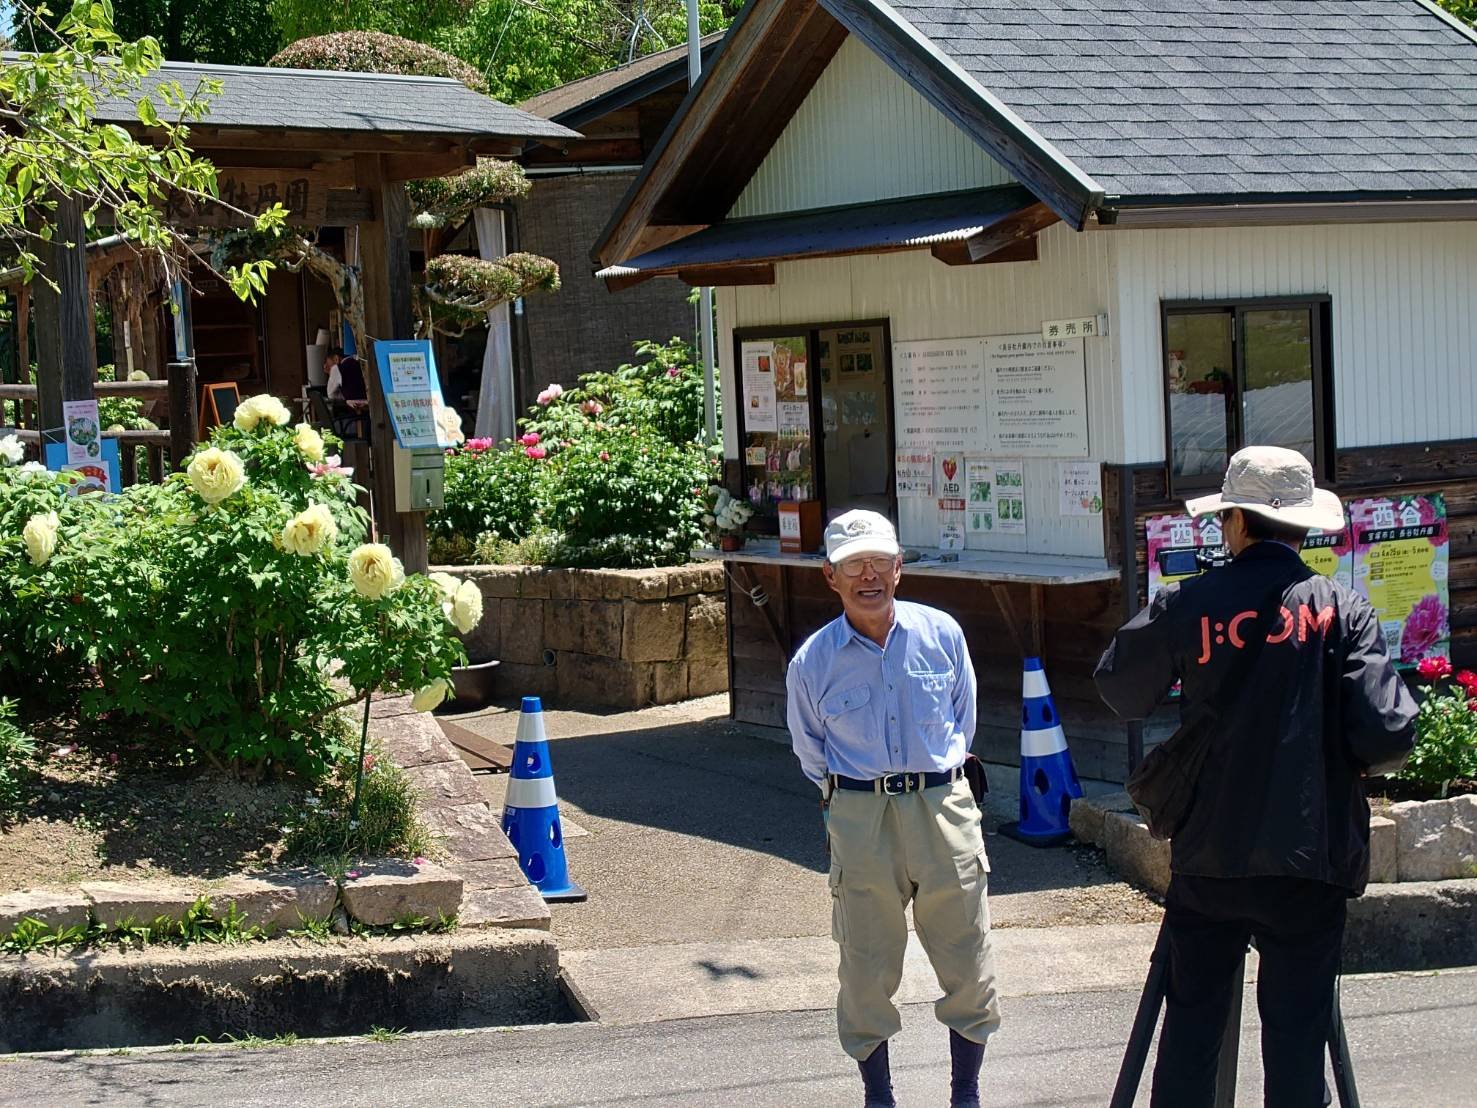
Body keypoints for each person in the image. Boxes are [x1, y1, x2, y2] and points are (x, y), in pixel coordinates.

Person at [1094, 446, 1416, 1108]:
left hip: (1209, 855)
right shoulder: (1342, 611)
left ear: (1234, 523)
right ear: (1302, 530)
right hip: (1309, 858)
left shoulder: (1193, 602)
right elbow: (1389, 732)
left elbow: (1118, 687)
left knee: (1189, 1031)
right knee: (1296, 1044)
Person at [786, 509, 1000, 1108]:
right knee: (866, 963)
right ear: (832, 577)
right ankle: (879, 1097)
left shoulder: (943, 634)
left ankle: (966, 1093)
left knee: (968, 953)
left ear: (900, 568)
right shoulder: (812, 662)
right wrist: (856, 801)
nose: (869, 574)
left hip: (943, 804)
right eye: (854, 564)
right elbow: (811, 752)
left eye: (880, 561)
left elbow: (963, 722)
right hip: (860, 815)